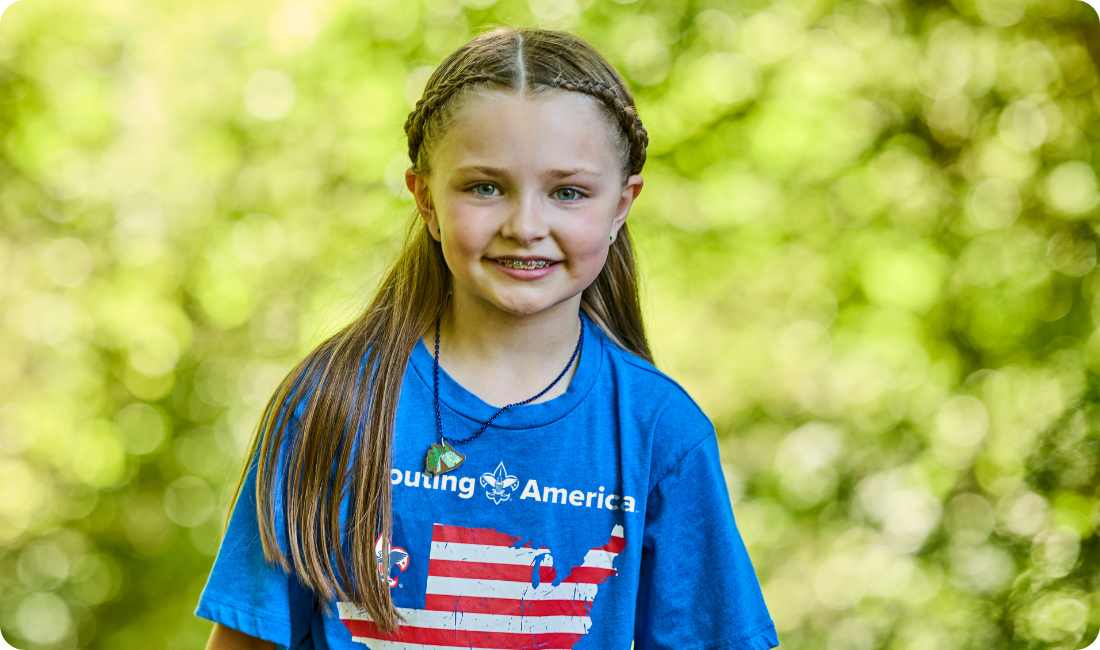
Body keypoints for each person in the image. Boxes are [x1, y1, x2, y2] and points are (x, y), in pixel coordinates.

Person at [195, 26, 778, 650]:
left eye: (568, 192)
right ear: (425, 200)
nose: (526, 225)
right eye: (484, 187)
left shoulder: (660, 431)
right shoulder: (331, 404)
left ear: (621, 206)